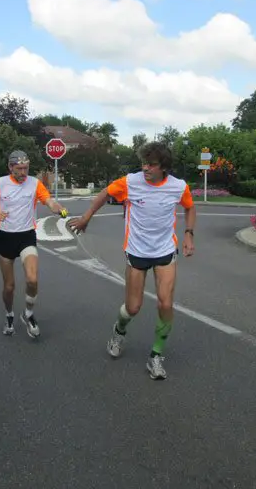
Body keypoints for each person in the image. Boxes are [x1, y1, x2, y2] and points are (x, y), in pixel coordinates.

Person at [68, 141, 195, 380]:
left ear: (164, 167)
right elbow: (105, 193)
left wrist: (189, 233)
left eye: (152, 164)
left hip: (165, 252)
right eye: (144, 163)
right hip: (136, 252)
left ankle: (156, 356)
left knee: (165, 304)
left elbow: (189, 207)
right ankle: (119, 330)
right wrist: (86, 218)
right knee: (133, 307)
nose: (145, 168)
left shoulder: (178, 187)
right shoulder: (130, 182)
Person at [0, 150, 67, 338]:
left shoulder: (34, 183)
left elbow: (48, 201)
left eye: (26, 168)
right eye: (19, 169)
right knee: (9, 286)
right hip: (5, 238)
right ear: (10, 167)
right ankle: (9, 314)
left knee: (32, 279)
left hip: (26, 236)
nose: (23, 172)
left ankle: (27, 314)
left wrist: (56, 208)